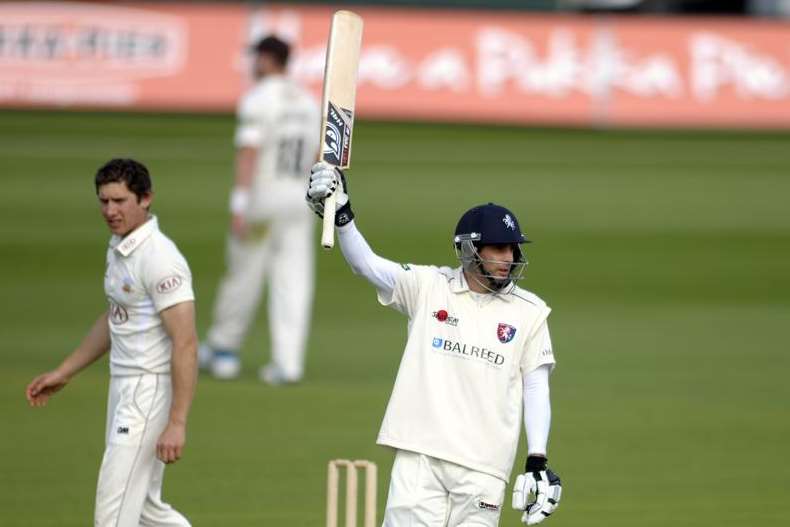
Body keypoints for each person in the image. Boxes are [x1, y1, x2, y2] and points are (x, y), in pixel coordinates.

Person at [306, 163, 563, 526]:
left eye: (513, 249)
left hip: (483, 467)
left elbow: (536, 385)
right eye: (499, 248)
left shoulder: (530, 312)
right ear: (470, 248)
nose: (509, 258)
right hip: (419, 456)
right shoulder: (429, 287)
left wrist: (537, 458)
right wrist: (343, 215)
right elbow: (367, 265)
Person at [25, 158, 197, 527]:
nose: (110, 210)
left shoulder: (160, 259)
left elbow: (185, 343)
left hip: (147, 391)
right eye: (104, 201)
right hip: (123, 387)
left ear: (146, 198)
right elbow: (115, 318)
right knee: (149, 512)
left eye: (120, 201)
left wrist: (177, 422)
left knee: (113, 513)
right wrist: (65, 371)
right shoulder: (121, 246)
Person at [198, 35, 320, 384]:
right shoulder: (309, 103)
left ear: (267, 60)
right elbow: (316, 158)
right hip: (300, 199)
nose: (253, 64)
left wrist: (239, 204)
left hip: (264, 198)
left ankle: (224, 351)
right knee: (294, 280)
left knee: (244, 273)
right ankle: (288, 363)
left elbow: (249, 153)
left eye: (256, 58)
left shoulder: (257, 100)